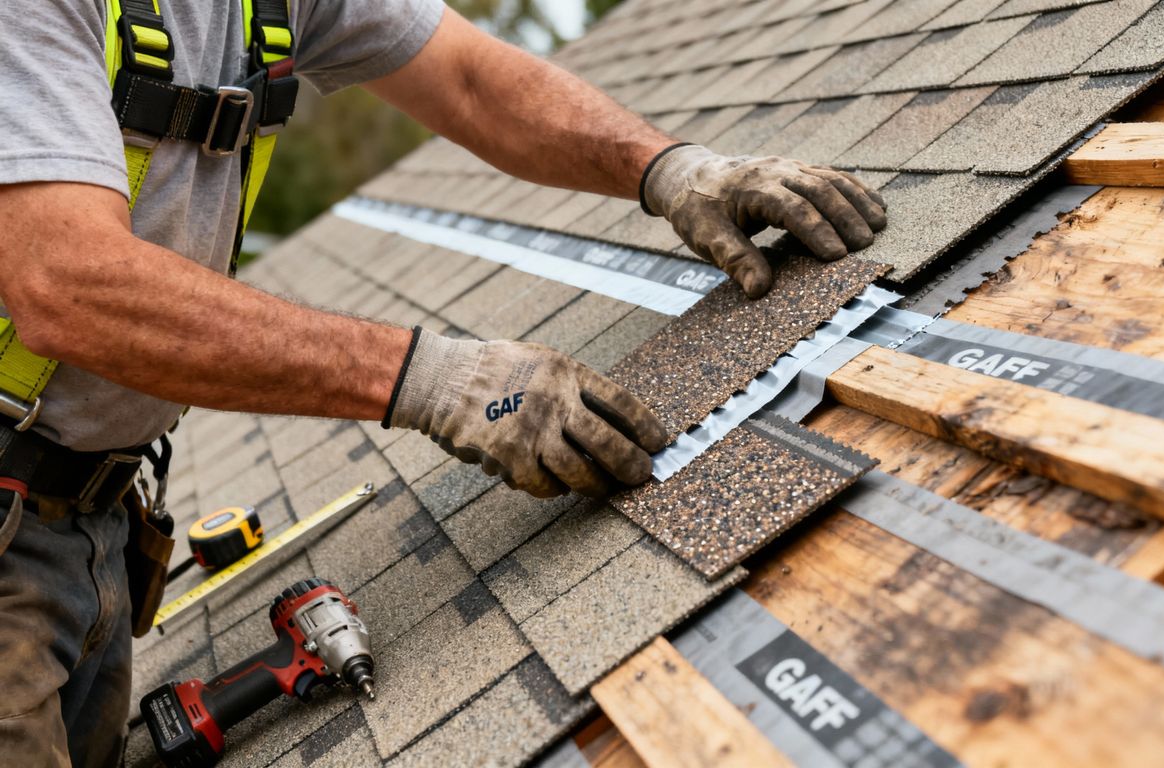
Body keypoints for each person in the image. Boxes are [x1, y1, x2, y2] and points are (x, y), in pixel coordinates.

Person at [0, 2, 887, 765]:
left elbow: (467, 79)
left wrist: (669, 168)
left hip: (93, 522)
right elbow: (66, 282)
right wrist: (435, 377)